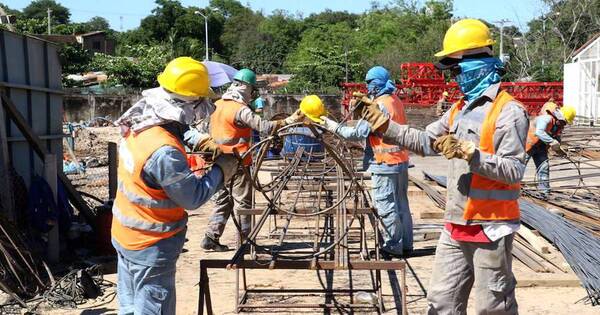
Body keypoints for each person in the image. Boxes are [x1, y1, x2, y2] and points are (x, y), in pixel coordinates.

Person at [353, 19, 528, 314]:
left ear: (476, 63)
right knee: (441, 301)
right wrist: (382, 124)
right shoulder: (458, 110)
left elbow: (513, 170)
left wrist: (471, 154)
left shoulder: (509, 112)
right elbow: (423, 141)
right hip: (456, 224)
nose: (455, 78)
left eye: (456, 69)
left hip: (491, 226)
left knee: (493, 307)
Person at [111, 57, 239, 314]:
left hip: (126, 233)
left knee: (130, 307)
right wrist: (222, 171)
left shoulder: (141, 121)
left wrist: (202, 142)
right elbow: (192, 197)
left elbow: (176, 128)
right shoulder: (164, 152)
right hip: (151, 242)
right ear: (190, 102)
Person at [201, 68, 304, 251]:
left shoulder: (217, 105)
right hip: (237, 162)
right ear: (246, 88)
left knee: (223, 200)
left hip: (217, 162)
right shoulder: (240, 109)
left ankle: (211, 236)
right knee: (244, 203)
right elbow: (264, 127)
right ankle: (246, 241)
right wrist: (288, 121)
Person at [320, 66, 413, 257]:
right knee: (402, 205)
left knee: (387, 206)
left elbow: (356, 133)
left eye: (369, 83)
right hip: (400, 161)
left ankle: (392, 247)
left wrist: (330, 125)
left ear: (376, 83)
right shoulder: (394, 100)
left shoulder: (378, 105)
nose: (367, 87)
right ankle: (406, 245)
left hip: (384, 162)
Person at [525, 102, 576, 194]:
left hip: (540, 146)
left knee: (543, 168)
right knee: (519, 167)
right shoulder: (546, 118)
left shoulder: (557, 124)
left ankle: (544, 192)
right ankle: (510, 188)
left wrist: (559, 149)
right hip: (528, 145)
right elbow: (539, 132)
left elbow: (556, 137)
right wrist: (552, 142)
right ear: (560, 117)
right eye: (564, 122)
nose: (564, 125)